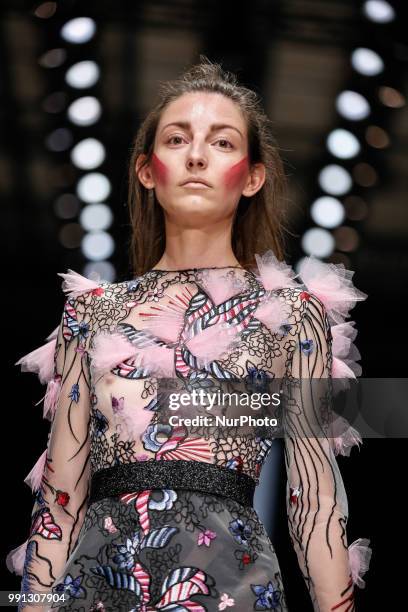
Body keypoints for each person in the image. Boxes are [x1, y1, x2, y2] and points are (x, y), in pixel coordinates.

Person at [7, 57, 372, 611]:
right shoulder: (92, 313)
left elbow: (314, 498)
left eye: (223, 143)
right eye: (177, 139)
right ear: (147, 169)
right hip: (99, 588)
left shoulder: (292, 315)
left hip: (232, 585)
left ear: (253, 177)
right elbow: (59, 498)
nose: (197, 155)